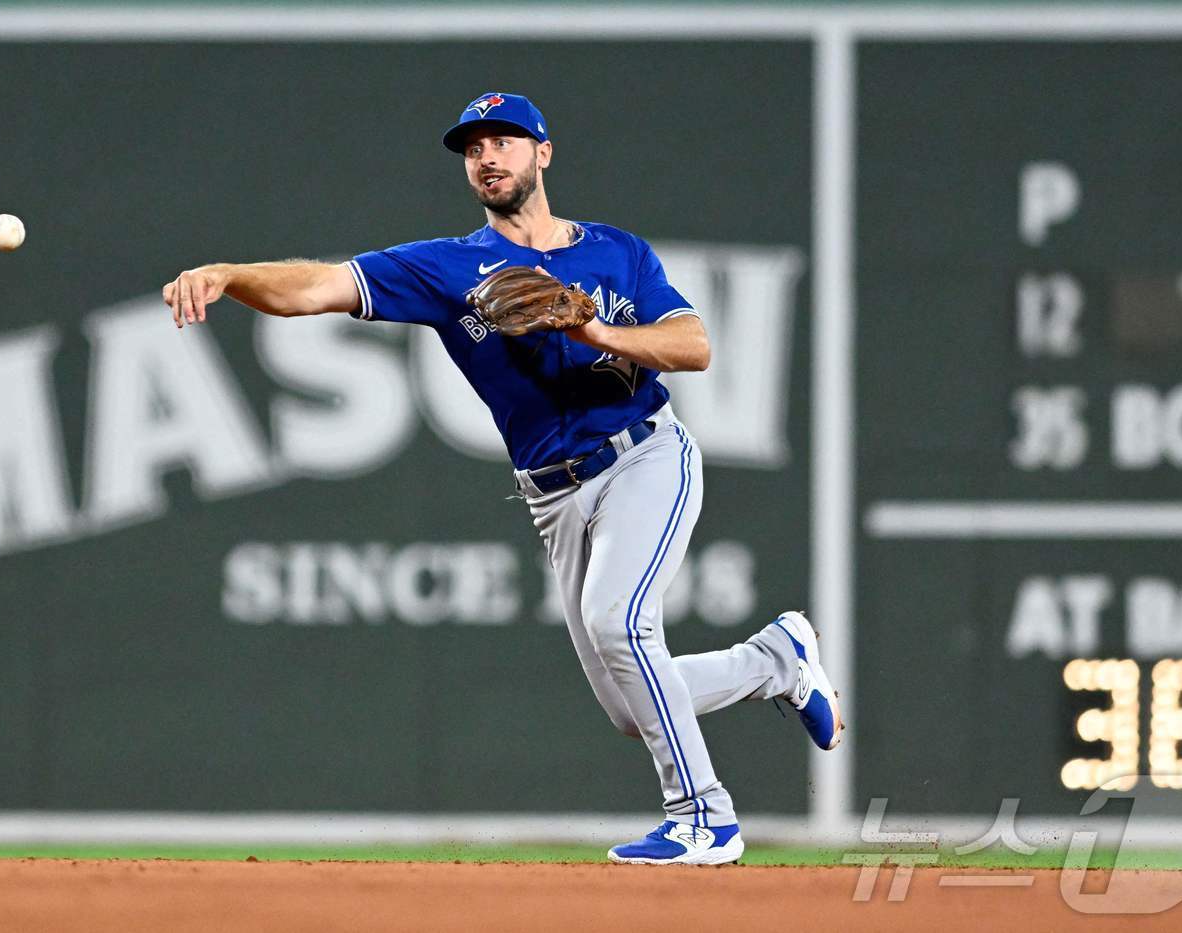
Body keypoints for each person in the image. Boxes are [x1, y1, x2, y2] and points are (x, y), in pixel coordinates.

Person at [163, 91, 843, 865]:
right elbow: (318, 287)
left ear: (543, 153)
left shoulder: (617, 252)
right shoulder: (449, 268)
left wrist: (595, 330)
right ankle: (775, 661)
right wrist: (229, 273)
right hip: (553, 493)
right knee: (631, 705)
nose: (487, 156)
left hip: (645, 453)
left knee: (623, 623)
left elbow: (694, 345)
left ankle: (705, 817)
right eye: (472, 146)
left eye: (504, 140)